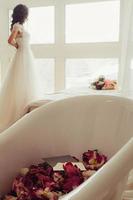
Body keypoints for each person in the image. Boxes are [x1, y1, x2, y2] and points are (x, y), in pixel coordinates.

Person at [0, 4, 42, 132]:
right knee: (20, 80)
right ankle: (19, 112)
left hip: (26, 54)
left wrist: (19, 45)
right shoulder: (17, 26)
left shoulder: (21, 26)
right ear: (23, 14)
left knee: (26, 80)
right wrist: (18, 46)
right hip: (22, 54)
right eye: (26, 13)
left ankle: (27, 109)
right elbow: (10, 40)